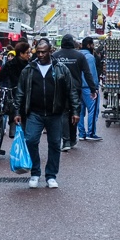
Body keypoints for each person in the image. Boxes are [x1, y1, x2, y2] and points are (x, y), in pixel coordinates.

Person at [13, 38, 80, 189]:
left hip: (55, 113)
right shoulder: (29, 69)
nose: (41, 55)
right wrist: (17, 111)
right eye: (38, 52)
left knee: (55, 144)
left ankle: (51, 175)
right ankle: (35, 173)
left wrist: (75, 111)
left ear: (50, 51)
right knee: (30, 140)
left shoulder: (61, 69)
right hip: (34, 112)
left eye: (44, 52)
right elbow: (20, 92)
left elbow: (71, 91)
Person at [54, 34, 95, 150]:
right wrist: (93, 89)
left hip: (60, 88)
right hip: (76, 88)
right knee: (75, 112)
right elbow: (87, 73)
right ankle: (72, 138)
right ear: (72, 43)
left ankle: (66, 140)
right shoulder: (79, 56)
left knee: (64, 113)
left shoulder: (55, 56)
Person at [0, 40, 31, 136]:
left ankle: (16, 131)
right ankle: (15, 131)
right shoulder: (26, 65)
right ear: (21, 53)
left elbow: (0, 75)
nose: (29, 55)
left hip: (17, 92)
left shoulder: (27, 65)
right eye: (27, 53)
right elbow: (1, 75)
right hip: (17, 93)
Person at [78, 37, 103, 141]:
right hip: (88, 87)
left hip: (79, 87)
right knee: (93, 110)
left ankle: (81, 133)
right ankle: (91, 133)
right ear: (89, 45)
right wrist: (95, 87)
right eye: (92, 44)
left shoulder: (77, 55)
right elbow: (92, 73)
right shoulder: (90, 57)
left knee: (80, 111)